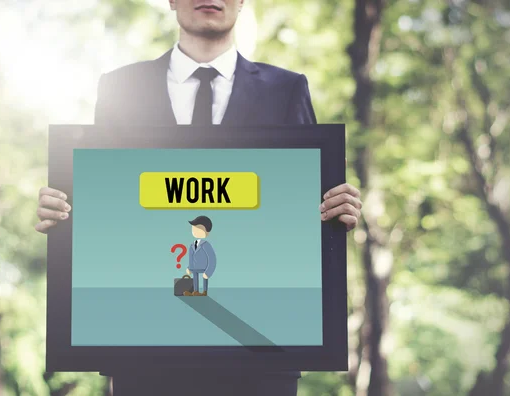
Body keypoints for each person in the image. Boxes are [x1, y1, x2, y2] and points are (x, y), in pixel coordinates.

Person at [36, 0, 363, 394]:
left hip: (260, 358)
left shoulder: (287, 88)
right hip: (145, 355)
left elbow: (304, 210)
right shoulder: (120, 87)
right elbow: (107, 207)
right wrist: (64, 212)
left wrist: (335, 210)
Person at [184, 215, 216, 296]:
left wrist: (208, 272)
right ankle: (195, 291)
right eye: (194, 228)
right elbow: (190, 258)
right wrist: (189, 268)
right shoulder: (192, 245)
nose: (196, 230)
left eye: (199, 228)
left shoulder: (206, 245)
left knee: (204, 278)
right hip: (194, 268)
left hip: (204, 267)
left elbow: (212, 259)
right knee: (195, 279)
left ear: (207, 232)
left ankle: (204, 291)